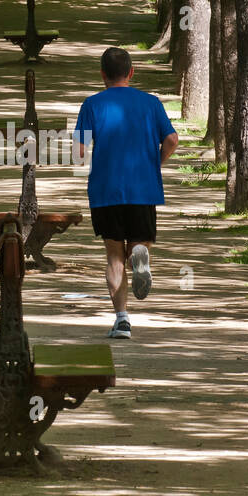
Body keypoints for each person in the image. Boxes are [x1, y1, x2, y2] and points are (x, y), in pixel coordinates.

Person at [74, 47, 180, 340]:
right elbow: (172, 139)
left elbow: (80, 151)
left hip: (106, 190)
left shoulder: (92, 105)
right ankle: (139, 257)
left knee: (112, 255)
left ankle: (122, 321)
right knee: (136, 245)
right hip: (143, 188)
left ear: (102, 74)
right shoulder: (150, 103)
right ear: (131, 72)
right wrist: (156, 162)